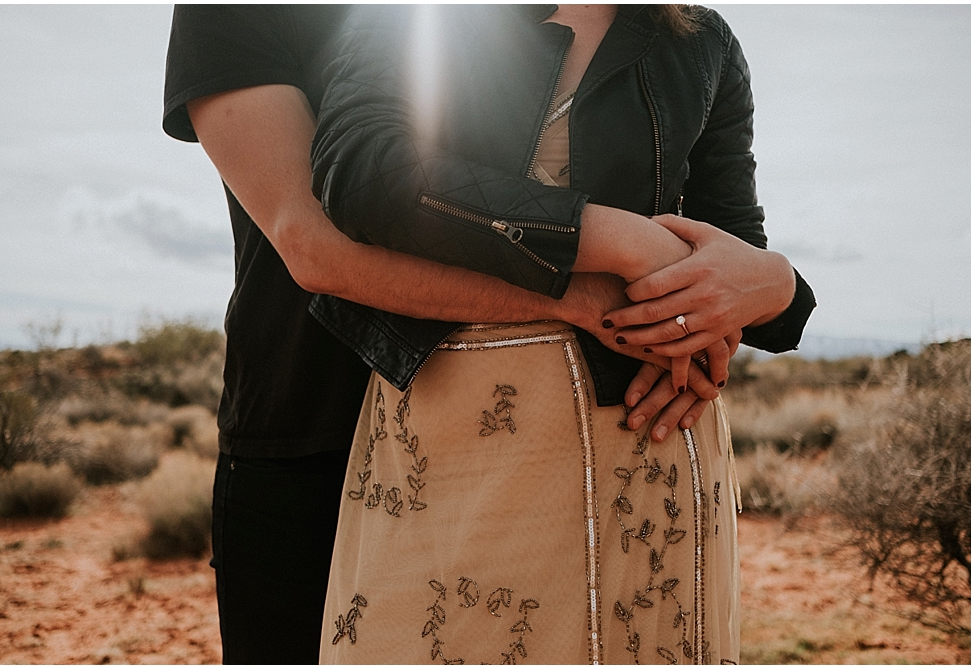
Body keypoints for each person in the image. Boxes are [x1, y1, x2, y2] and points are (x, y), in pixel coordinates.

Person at [161, 4, 738, 663]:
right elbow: (314, 247)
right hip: (306, 424)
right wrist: (584, 297)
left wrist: (744, 290)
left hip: (492, 439)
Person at [310, 5, 815, 664]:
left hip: (651, 441)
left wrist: (777, 284)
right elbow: (359, 173)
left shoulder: (701, 38)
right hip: (455, 442)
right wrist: (611, 236)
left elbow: (733, 248)